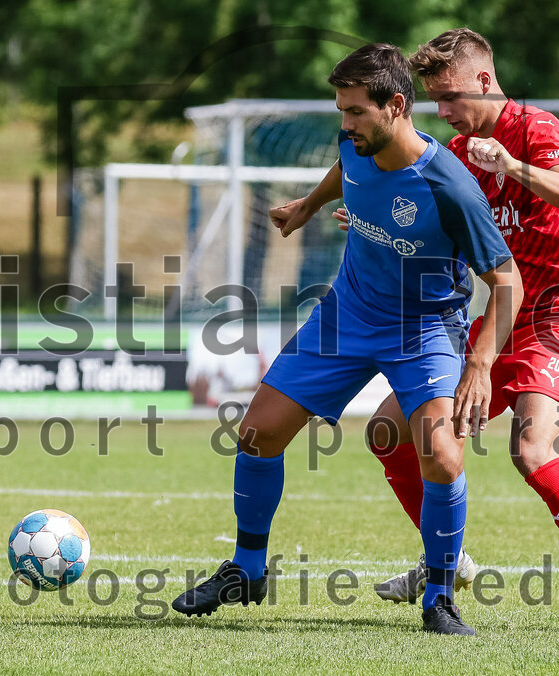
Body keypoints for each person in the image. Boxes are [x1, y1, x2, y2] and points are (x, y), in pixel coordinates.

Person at [172, 43, 522, 635]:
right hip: (349, 313)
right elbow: (347, 169)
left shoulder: (450, 186)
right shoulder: (354, 145)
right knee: (257, 434)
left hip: (426, 328)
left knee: (440, 454)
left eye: (357, 111)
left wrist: (481, 363)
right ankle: (247, 568)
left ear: (397, 106)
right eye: (341, 110)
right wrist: (309, 206)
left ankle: (439, 597)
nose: (346, 123)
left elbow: (505, 278)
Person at [327, 28, 559, 635]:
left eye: (451, 96)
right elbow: (442, 230)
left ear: (485, 80)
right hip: (502, 321)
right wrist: (368, 219)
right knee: (387, 432)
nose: (445, 112)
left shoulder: (538, 131)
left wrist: (511, 165)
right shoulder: (453, 152)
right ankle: (446, 561)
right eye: (435, 101)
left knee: (531, 451)